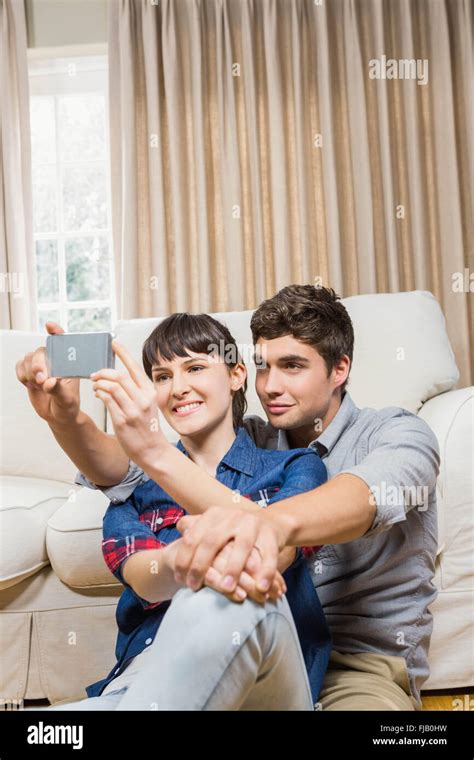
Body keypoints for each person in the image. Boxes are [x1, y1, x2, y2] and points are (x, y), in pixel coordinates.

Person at [16, 284, 440, 710]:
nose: (271, 386)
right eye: (263, 367)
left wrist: (260, 527)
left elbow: (359, 499)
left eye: (292, 366)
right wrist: (67, 419)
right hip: (242, 646)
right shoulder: (249, 439)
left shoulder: (395, 434)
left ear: (339, 369)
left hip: (358, 667)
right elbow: (128, 469)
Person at [45, 313, 330, 710]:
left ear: (236, 375)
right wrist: (178, 561)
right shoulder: (137, 489)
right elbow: (143, 577)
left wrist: (203, 568)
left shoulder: (296, 467)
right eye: (162, 377)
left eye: (195, 367)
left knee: (235, 589)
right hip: (141, 686)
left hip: (262, 688)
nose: (178, 388)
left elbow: (275, 552)